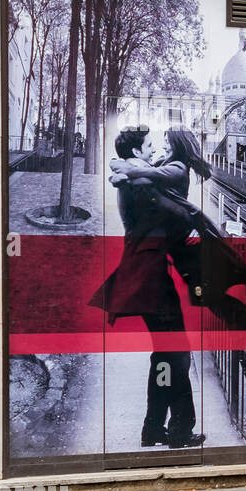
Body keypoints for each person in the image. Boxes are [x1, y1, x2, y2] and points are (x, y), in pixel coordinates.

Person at [88, 125, 205, 450]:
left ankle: (153, 429)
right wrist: (194, 217)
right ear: (137, 152)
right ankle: (180, 431)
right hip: (148, 277)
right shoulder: (139, 183)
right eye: (150, 145)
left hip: (148, 275)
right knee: (177, 356)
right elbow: (175, 212)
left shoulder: (135, 178)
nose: (155, 151)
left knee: (166, 355)